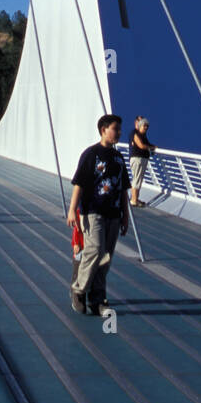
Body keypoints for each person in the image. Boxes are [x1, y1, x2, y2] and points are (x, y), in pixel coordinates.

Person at [67, 115, 130, 316]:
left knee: (106, 256)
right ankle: (78, 289)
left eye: (119, 129)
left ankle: (98, 298)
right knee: (94, 250)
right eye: (115, 129)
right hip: (92, 211)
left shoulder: (119, 158)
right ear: (103, 130)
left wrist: (125, 215)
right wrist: (72, 210)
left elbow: (123, 189)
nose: (119, 133)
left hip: (113, 213)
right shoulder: (91, 154)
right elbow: (80, 183)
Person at [128, 116, 156, 208]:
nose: (145, 127)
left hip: (141, 159)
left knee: (138, 180)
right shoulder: (134, 133)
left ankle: (135, 198)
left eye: (147, 126)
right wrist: (150, 147)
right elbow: (141, 145)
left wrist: (153, 147)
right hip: (137, 158)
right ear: (136, 123)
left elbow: (147, 145)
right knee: (136, 179)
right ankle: (133, 200)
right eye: (144, 125)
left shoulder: (143, 135)